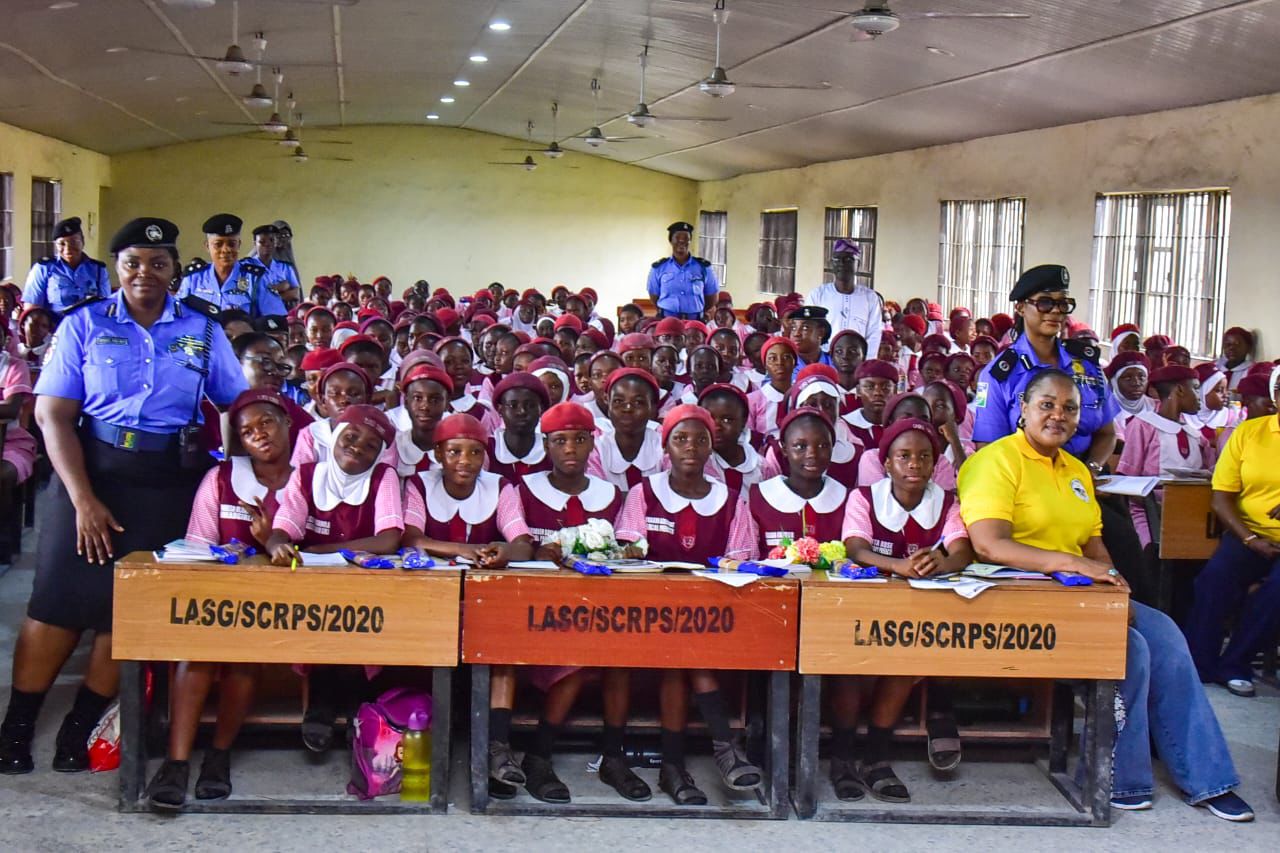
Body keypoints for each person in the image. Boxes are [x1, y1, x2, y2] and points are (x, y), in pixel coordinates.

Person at [0, 218, 247, 775]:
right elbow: (53, 416)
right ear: (117, 267)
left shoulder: (203, 329)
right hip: (91, 469)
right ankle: (16, 727)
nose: (145, 273)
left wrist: (232, 477)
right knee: (56, 604)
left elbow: (236, 402)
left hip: (167, 482)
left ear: (174, 269)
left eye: (158, 263)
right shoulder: (84, 324)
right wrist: (83, 500)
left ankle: (81, 725)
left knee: (127, 612)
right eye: (133, 262)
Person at [957, 368, 1253, 821]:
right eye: (1047, 405)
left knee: (1166, 634)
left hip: (1075, 593)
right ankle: (1118, 778)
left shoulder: (1076, 469)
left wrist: (1114, 585)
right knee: (1129, 648)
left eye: (1070, 408)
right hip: (1014, 593)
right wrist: (1073, 564)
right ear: (1022, 409)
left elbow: (1093, 543)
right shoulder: (994, 461)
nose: (1058, 415)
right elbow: (989, 544)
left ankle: (1208, 778)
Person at [145, 389, 294, 810]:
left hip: (286, 603)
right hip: (223, 598)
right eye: (247, 431)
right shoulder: (222, 478)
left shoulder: (311, 477)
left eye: (267, 422)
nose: (259, 434)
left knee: (244, 656)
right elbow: (197, 547)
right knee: (198, 652)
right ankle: (176, 763)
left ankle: (219, 755)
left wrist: (271, 541)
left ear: (287, 423)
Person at [493, 402, 647, 803]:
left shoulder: (610, 494)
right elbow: (517, 543)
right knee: (577, 657)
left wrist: (625, 552)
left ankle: (613, 756)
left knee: (619, 655)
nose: (570, 449)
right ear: (546, 445)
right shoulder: (522, 489)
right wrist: (539, 552)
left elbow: (626, 548)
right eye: (560, 441)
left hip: (597, 608)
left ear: (592, 444)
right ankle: (538, 756)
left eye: (579, 440)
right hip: (535, 610)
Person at [614, 405, 762, 806]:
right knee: (682, 648)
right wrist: (634, 555)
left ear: (712, 446)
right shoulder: (644, 492)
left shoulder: (729, 500)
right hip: (646, 616)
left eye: (700, 439)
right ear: (666, 447)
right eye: (680, 439)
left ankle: (675, 767)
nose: (691, 447)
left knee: (685, 646)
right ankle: (722, 750)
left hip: (711, 618)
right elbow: (627, 554)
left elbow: (739, 562)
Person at [971, 265, 1147, 598]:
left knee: (1127, 549)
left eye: (1063, 304)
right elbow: (987, 449)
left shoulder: (1087, 365)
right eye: (1045, 303)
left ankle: (1130, 614)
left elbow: (1106, 433)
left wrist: (1090, 469)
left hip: (1082, 482)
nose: (1055, 312)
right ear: (1021, 308)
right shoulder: (998, 374)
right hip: (1025, 485)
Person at [835, 417, 974, 802]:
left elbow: (962, 550)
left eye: (924, 456)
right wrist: (899, 566)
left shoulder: (946, 502)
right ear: (887, 463)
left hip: (915, 610)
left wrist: (940, 564)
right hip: (865, 605)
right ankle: (842, 758)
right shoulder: (864, 497)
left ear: (935, 463)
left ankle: (876, 757)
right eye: (904, 456)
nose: (914, 463)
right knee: (848, 669)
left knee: (904, 662)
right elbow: (856, 547)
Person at [1183, 366, 1280, 699]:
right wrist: (1250, 540)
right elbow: (1221, 497)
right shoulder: (1249, 433)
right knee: (1213, 580)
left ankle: (1236, 664)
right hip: (1249, 533)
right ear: (1275, 395)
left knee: (1276, 593)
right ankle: (1200, 663)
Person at [726, 408, 849, 559]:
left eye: (823, 446)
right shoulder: (759, 498)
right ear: (784, 449)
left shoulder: (847, 499)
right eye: (800, 446)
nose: (812, 454)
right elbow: (744, 558)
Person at [177, 214, 285, 318]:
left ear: (239, 245)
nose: (226, 250)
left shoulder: (256, 279)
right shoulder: (193, 278)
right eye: (218, 244)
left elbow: (276, 319)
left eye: (232, 244)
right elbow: (177, 315)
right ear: (207, 246)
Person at [587, 368, 664, 488]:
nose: (627, 408)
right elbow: (597, 494)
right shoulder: (596, 450)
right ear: (608, 402)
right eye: (618, 401)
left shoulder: (664, 447)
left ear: (652, 407)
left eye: (638, 402)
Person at [805, 239, 882, 358]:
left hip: (858, 362)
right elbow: (809, 332)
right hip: (824, 360)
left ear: (858, 264)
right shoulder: (817, 295)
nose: (841, 263)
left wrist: (865, 363)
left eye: (848, 259)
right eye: (837, 259)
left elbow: (874, 335)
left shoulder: (870, 298)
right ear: (832, 264)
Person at [21, 217, 110, 319]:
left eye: (74, 242)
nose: (67, 249)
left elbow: (106, 306)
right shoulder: (43, 268)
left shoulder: (98, 269)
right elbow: (32, 310)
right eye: (62, 244)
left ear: (82, 241)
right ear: (56, 245)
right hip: (56, 326)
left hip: (90, 326)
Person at [699, 383, 768, 489]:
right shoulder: (697, 461)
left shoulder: (761, 467)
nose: (717, 427)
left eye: (727, 420)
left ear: (743, 422)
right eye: (709, 418)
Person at [646, 221, 719, 320]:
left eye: (686, 238)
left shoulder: (704, 267)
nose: (681, 241)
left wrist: (697, 311)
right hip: (667, 320)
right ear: (670, 240)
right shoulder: (658, 268)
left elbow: (712, 298)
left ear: (690, 241)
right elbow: (654, 296)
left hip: (694, 321)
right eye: (677, 238)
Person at [486, 373, 552, 480]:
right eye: (513, 405)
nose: (521, 412)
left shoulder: (551, 450)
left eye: (530, 405)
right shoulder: (486, 449)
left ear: (541, 409)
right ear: (500, 410)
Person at [249, 224, 300, 307]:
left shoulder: (285, 266)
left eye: (272, 240)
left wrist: (273, 296)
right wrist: (282, 287)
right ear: (255, 243)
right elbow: (251, 295)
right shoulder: (246, 266)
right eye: (262, 242)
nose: (267, 244)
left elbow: (295, 294)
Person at [1215, 327, 1255, 392]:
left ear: (1248, 348)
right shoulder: (1215, 367)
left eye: (1237, 344)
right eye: (1228, 344)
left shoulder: (1252, 372)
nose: (1231, 348)